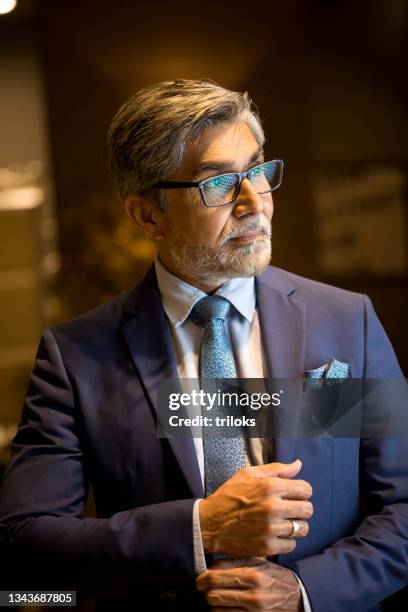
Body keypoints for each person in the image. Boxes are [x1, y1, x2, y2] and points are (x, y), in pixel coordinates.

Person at [0, 79, 407, 612]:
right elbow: (25, 541)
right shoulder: (76, 357)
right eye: (217, 184)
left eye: (258, 170)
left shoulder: (344, 322)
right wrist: (199, 526)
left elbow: (403, 504)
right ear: (149, 215)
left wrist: (306, 591)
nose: (252, 201)